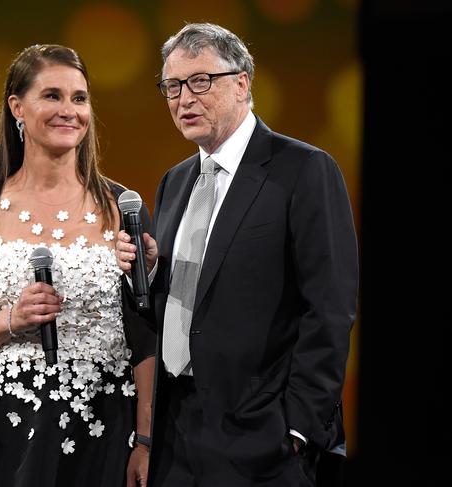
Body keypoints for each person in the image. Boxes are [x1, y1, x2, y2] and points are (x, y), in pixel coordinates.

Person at [116, 23, 358, 487]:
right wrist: (146, 274)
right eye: (172, 86)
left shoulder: (303, 170)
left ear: (242, 82)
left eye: (200, 81)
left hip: (262, 438)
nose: (184, 99)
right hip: (177, 433)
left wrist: (299, 428)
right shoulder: (175, 181)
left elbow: (329, 308)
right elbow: (186, 300)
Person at [0, 44, 155, 487]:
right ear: (17, 106)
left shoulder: (123, 207)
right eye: (52, 95)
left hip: (101, 424)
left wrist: (145, 440)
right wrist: (13, 319)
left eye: (79, 98)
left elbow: (145, 334)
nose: (68, 110)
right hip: (3, 426)